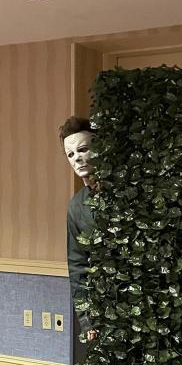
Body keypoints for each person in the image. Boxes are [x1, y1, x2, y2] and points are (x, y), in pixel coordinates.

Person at [61, 116, 97, 345]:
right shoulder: (76, 207)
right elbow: (77, 266)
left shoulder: (125, 194)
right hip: (100, 305)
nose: (78, 159)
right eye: (71, 155)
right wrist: (87, 320)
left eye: (83, 150)